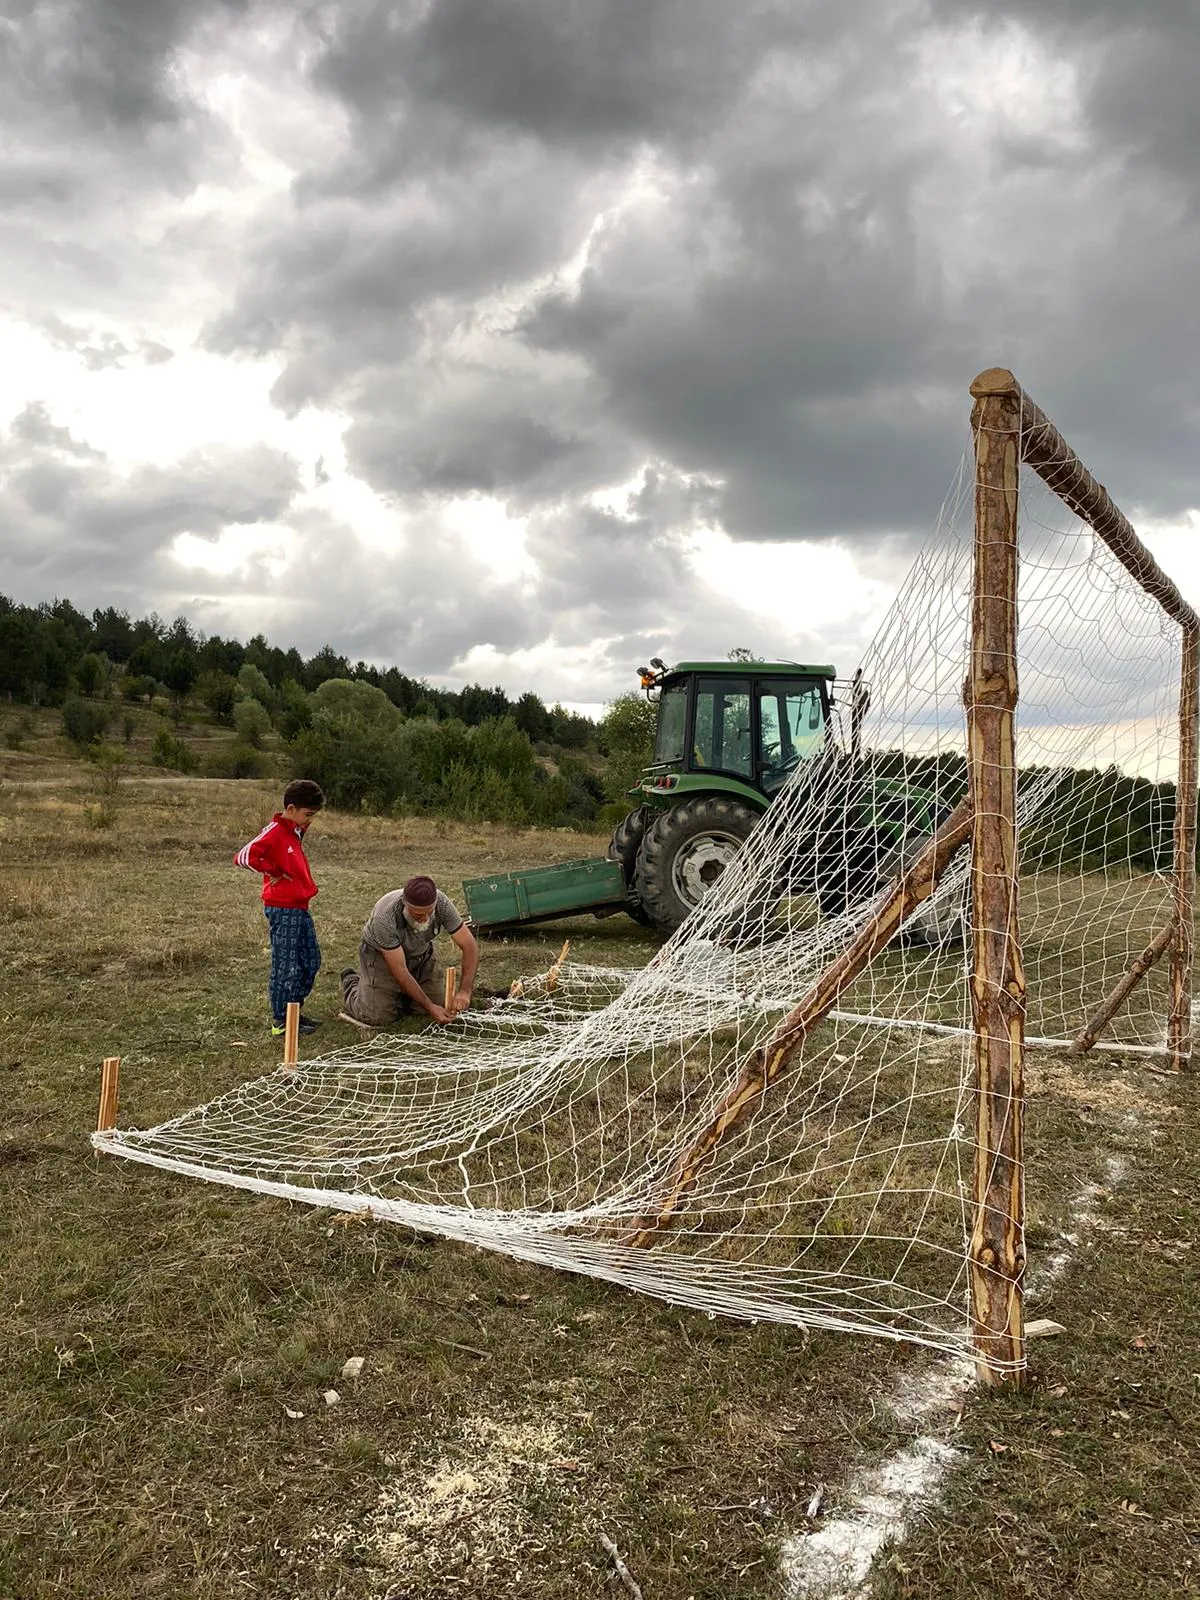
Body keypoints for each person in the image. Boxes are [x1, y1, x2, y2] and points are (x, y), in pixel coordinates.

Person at [235, 778, 325, 1037]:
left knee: (310, 960)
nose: (310, 820)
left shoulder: (295, 831)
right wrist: (272, 869)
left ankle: (294, 1012)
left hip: (300, 906)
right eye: (307, 814)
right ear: (291, 808)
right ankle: (281, 1021)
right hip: (282, 907)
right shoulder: (275, 830)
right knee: (285, 965)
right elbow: (243, 856)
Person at [339, 875, 478, 1028]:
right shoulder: (384, 918)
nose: (425, 919)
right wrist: (430, 1007)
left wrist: (465, 991)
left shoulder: (442, 902)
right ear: (405, 905)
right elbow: (400, 970)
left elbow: (469, 945)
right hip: (381, 957)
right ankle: (351, 982)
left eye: (429, 913)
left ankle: (402, 996)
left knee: (436, 1004)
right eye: (418, 915)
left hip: (420, 951)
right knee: (377, 1017)